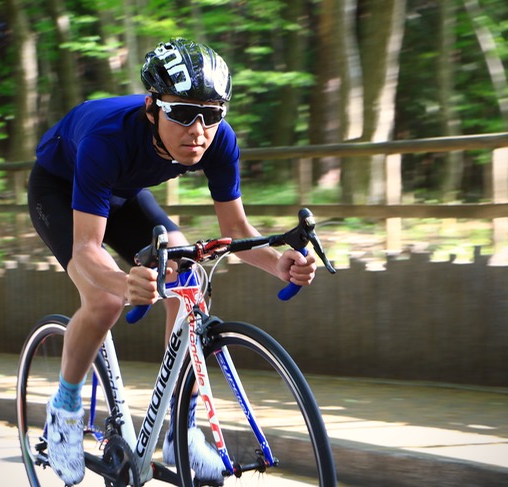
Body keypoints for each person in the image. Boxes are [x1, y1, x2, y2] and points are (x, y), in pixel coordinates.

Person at [27, 37, 317, 486]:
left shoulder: (218, 139)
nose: (198, 130)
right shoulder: (109, 137)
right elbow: (87, 250)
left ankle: (180, 427)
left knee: (188, 274)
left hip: (122, 192)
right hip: (60, 189)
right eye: (182, 113)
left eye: (213, 114)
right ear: (152, 107)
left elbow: (236, 229)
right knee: (104, 300)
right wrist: (125, 283)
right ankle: (63, 412)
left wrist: (278, 262)